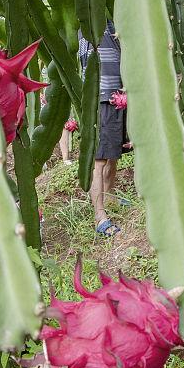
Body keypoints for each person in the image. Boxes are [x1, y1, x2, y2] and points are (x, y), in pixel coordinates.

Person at [78, 21, 127, 237]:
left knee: (113, 153)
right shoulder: (90, 18)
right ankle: (100, 217)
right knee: (98, 160)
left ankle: (110, 197)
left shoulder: (115, 18)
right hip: (100, 97)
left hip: (120, 95)